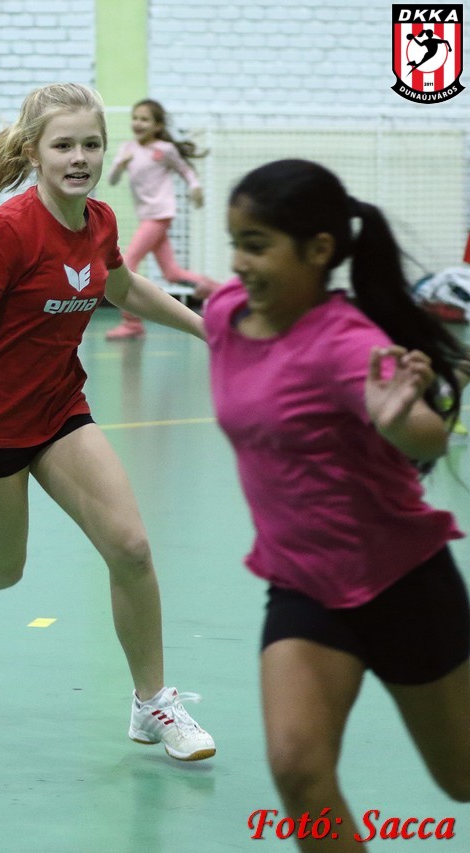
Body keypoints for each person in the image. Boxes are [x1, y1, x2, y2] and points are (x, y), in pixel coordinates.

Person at [0, 83, 217, 763]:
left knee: (131, 548)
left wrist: (207, 327)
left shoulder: (100, 221)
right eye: (64, 145)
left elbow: (123, 287)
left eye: (91, 143)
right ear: (34, 151)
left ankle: (152, 702)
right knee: (2, 569)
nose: (79, 157)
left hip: (59, 409)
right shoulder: (8, 229)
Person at [208, 159, 469, 848]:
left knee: (463, 779)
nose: (239, 262)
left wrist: (395, 420)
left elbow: (427, 434)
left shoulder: (346, 343)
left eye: (257, 244)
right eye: (235, 242)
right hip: (304, 587)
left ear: (319, 250)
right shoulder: (226, 314)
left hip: (403, 584)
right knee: (298, 769)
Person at [104, 98, 221, 341]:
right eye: (135, 118)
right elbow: (112, 180)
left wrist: (195, 187)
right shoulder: (127, 148)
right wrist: (120, 165)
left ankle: (132, 323)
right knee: (172, 273)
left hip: (160, 215)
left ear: (157, 126)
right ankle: (216, 290)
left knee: (128, 263)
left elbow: (185, 170)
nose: (138, 123)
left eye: (145, 119)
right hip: (147, 215)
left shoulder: (164, 149)